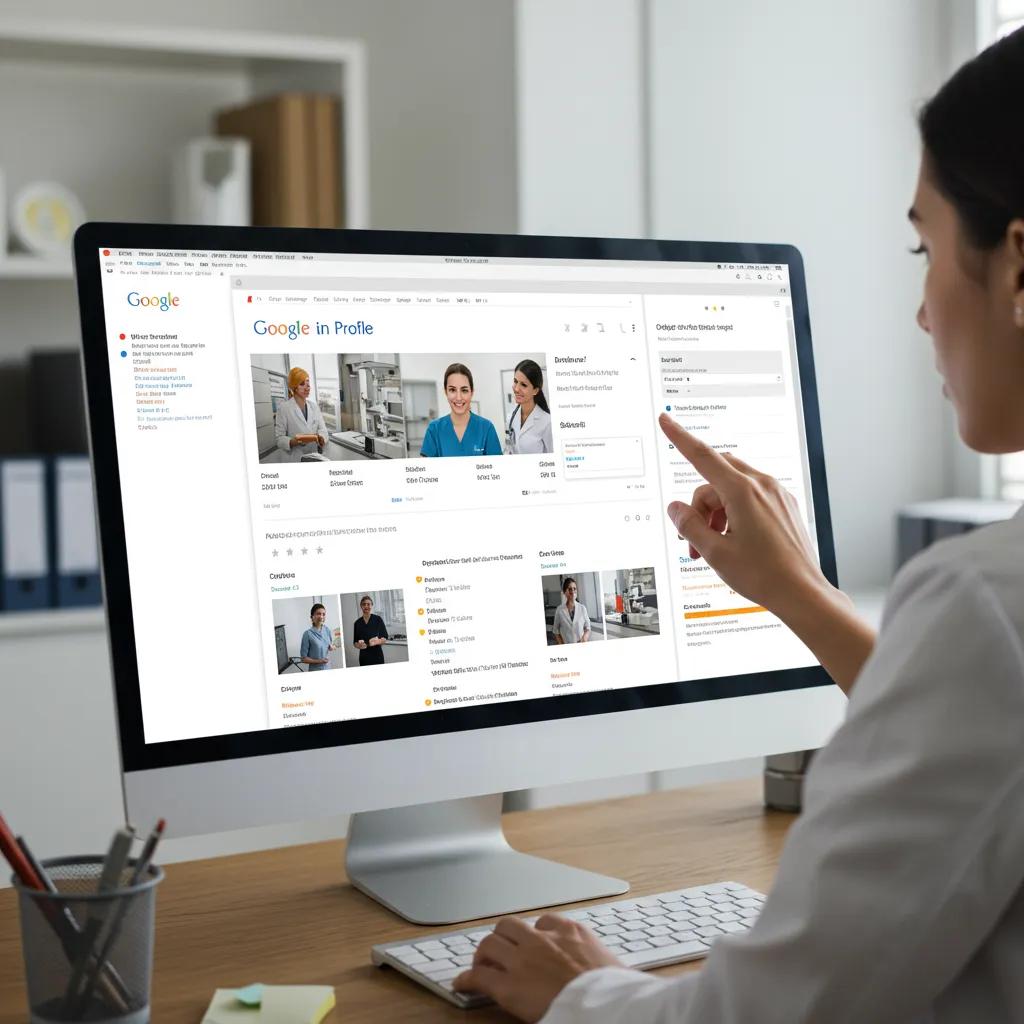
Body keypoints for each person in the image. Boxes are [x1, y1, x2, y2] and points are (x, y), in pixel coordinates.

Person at [454, 27, 1024, 1024]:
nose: (922, 311)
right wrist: (798, 590)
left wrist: (581, 992)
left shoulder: (985, 597)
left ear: (1017, 270)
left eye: (924, 248)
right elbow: (991, 721)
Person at [420, 363, 502, 457]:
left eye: (464, 390)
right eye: (452, 390)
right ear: (446, 392)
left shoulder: (486, 428)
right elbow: (425, 466)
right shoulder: (434, 429)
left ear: (471, 392)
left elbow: (497, 465)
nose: (458, 397)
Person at [275, 366, 327, 463]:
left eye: (308, 383)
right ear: (294, 387)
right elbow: (279, 439)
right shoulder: (284, 408)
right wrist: (294, 442)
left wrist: (322, 438)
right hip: (295, 458)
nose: (307, 387)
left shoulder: (314, 407)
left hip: (314, 456)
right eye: (302, 384)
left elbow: (323, 430)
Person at [506, 359, 553, 454]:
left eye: (523, 385)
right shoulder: (511, 416)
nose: (516, 389)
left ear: (535, 390)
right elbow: (509, 449)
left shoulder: (547, 422)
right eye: (515, 381)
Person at [551, 578, 592, 644]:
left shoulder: (582, 608)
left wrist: (584, 638)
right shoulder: (559, 610)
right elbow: (555, 630)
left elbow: (588, 627)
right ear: (564, 592)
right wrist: (561, 644)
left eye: (574, 589)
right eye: (570, 589)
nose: (573, 591)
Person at [352, 594, 389, 667]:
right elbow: (355, 642)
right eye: (364, 604)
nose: (366, 606)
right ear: (361, 606)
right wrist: (359, 645)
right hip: (364, 657)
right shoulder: (357, 623)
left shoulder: (378, 619)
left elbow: (385, 638)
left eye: (368, 604)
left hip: (377, 656)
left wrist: (376, 642)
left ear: (372, 605)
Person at [299, 603, 335, 672]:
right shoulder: (307, 634)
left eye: (323, 614)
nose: (321, 616)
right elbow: (303, 659)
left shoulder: (327, 630)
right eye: (318, 614)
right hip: (315, 670)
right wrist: (320, 661)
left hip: (328, 667)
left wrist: (332, 647)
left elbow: (331, 645)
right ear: (312, 616)